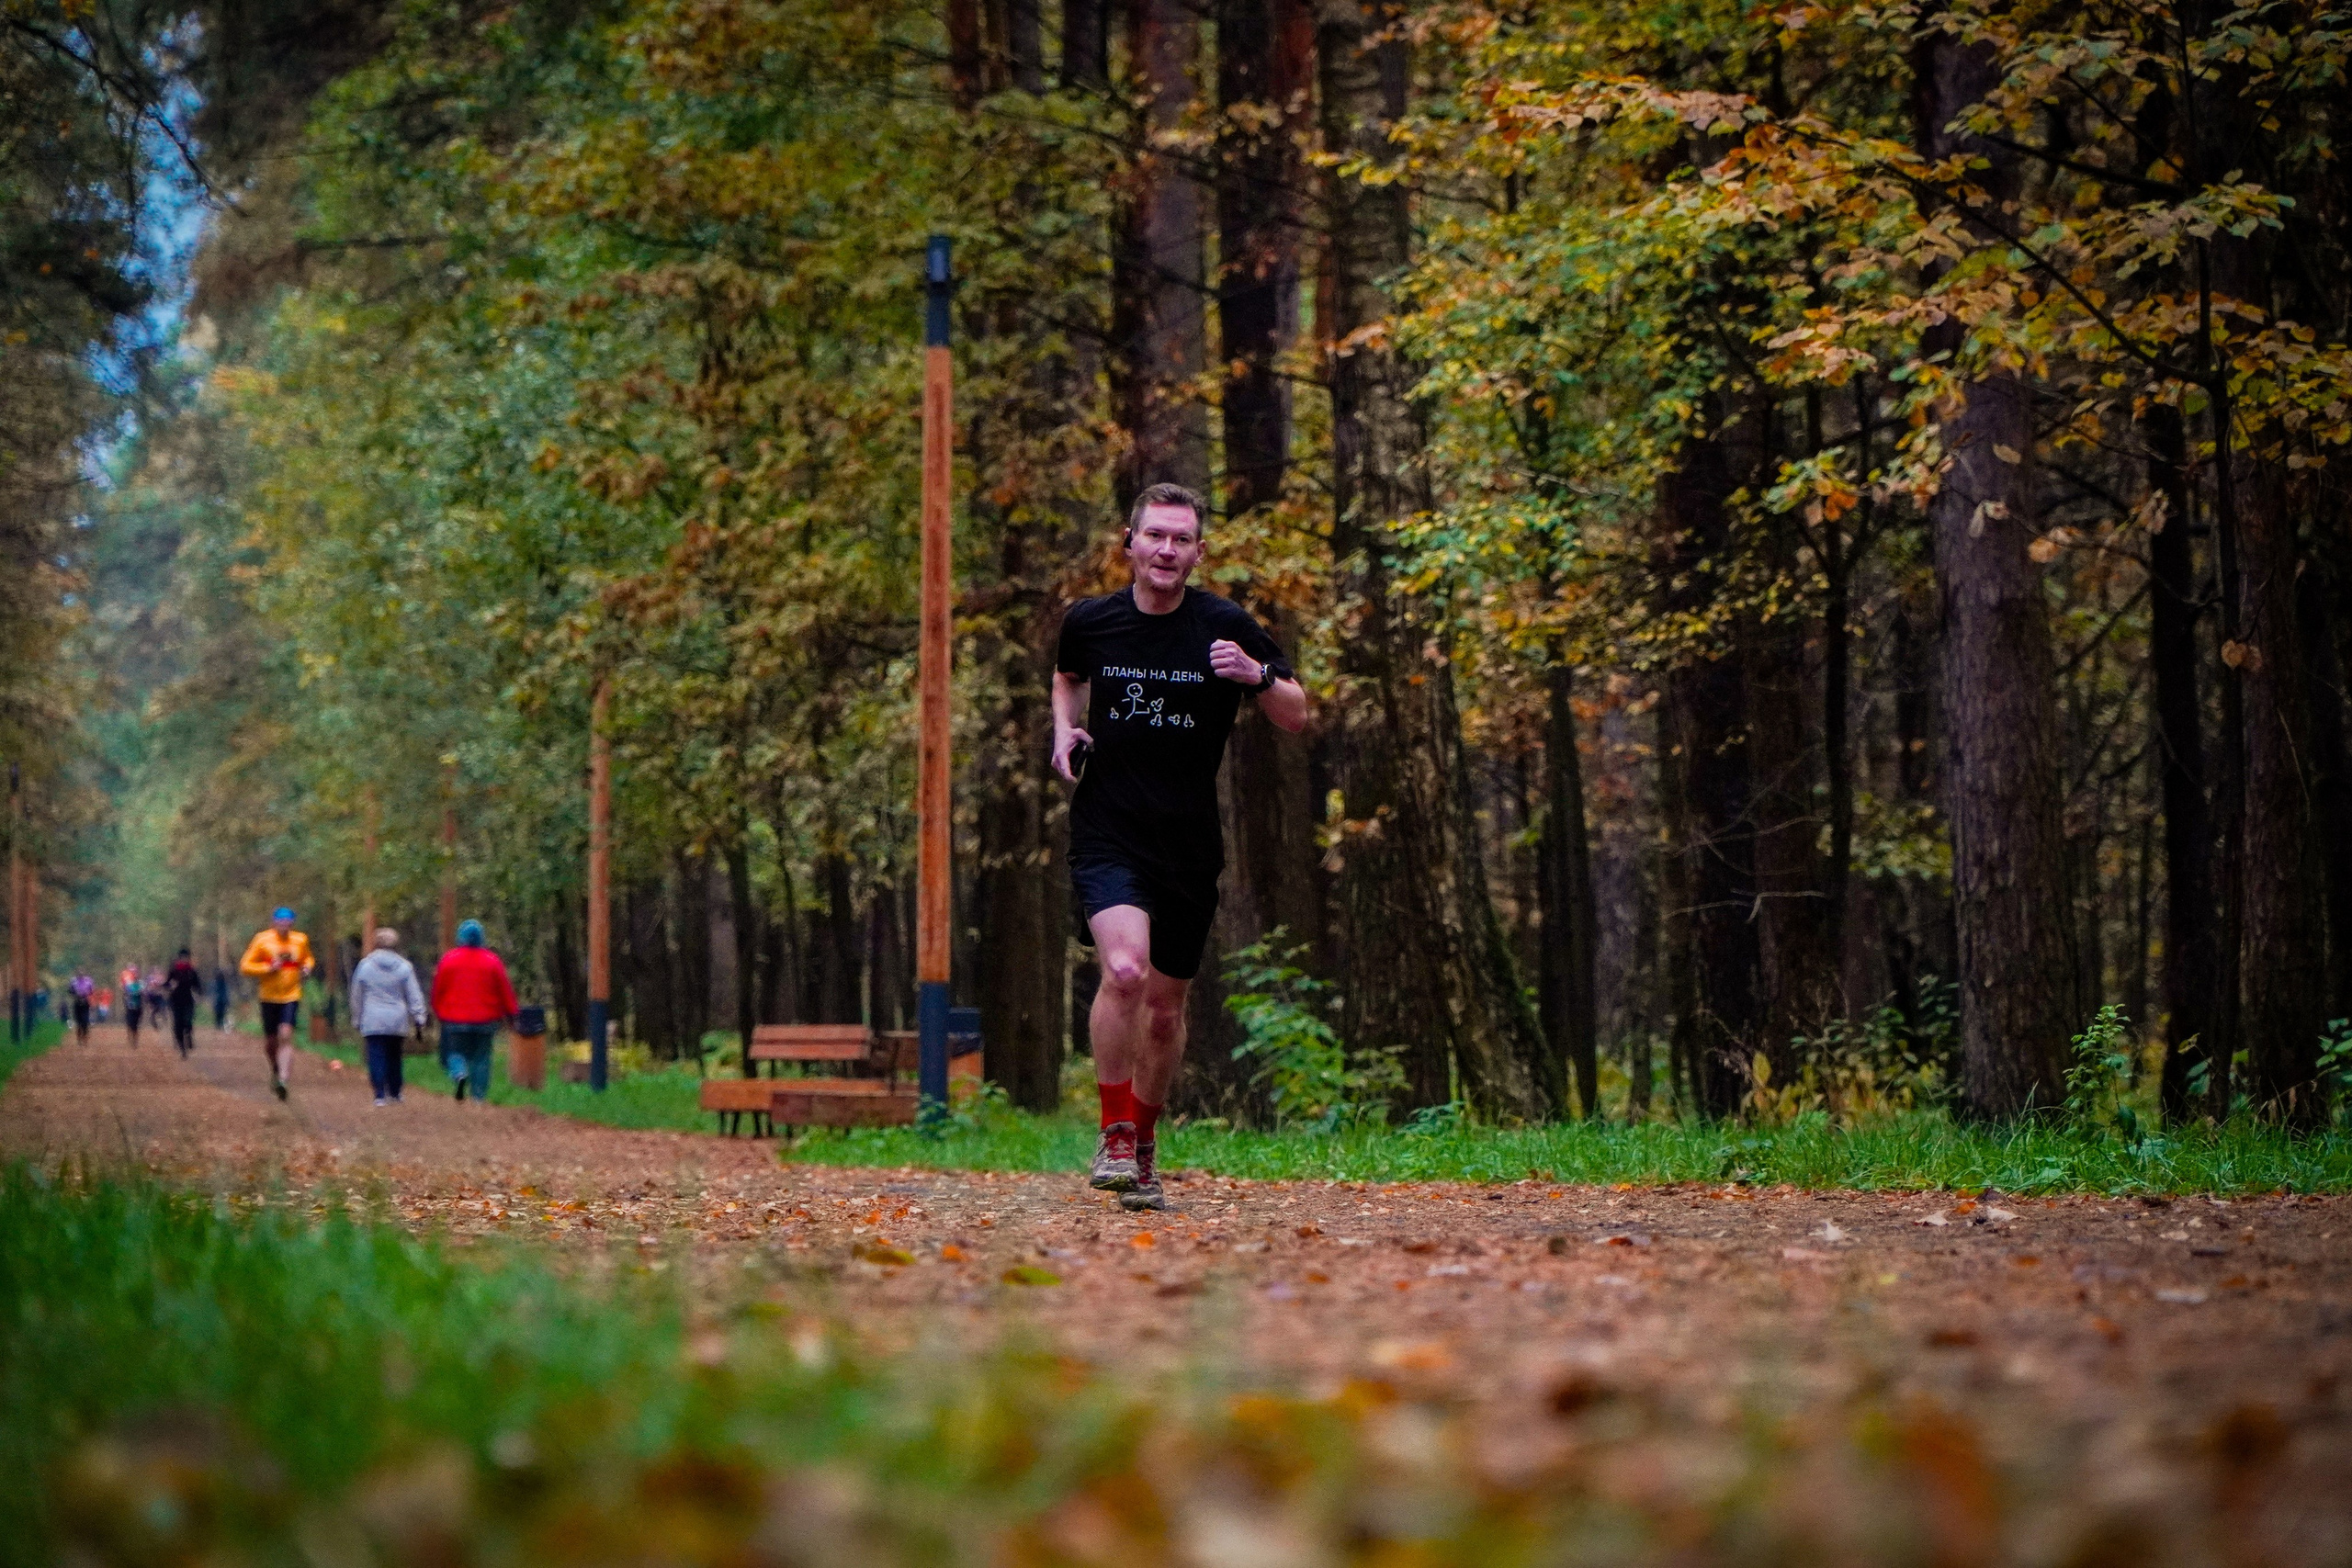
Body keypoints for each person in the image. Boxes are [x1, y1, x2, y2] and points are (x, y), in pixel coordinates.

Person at [1050, 482, 1309, 1211]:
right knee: (1124, 970)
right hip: (1108, 830)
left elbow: (1296, 713)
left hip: (1189, 842)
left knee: (1165, 1009)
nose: (1166, 550)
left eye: (1181, 538)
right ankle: (1113, 1137)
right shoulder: (1092, 621)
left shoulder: (1224, 625)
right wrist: (1064, 729)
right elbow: (1067, 677)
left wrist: (1255, 675)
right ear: (1128, 544)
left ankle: (1146, 1144)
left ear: (1199, 551)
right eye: (1154, 536)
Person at [431, 919, 515, 1103]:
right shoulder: (492, 961)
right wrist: (511, 1013)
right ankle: (478, 1097)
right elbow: (504, 989)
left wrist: (438, 1010)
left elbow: (439, 989)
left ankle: (459, 1073)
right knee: (482, 1056)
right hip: (486, 1019)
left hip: (454, 1018)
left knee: (455, 1052)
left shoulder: (449, 960)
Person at [239, 907, 315, 1101]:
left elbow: (307, 957)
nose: (284, 925)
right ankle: (275, 1067)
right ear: (274, 922)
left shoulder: (300, 939)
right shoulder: (262, 940)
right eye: (280, 921)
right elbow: (245, 966)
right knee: (271, 1043)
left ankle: (283, 1079)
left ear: (292, 923)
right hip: (268, 997)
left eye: (288, 921)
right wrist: (267, 968)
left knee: (286, 1034)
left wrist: (307, 967)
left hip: (291, 995)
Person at [351, 928, 427, 1106]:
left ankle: (379, 1093)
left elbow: (357, 994)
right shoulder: (404, 967)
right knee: (395, 1055)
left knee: (376, 1055)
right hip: (397, 1019)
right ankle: (395, 1091)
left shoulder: (365, 966)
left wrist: (357, 1017)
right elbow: (414, 994)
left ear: (376, 943)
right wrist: (419, 1016)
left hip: (373, 1018)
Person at [164, 950, 203, 1056]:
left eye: (186, 958)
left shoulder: (191, 971)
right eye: (183, 958)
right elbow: (167, 984)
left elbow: (198, 985)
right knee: (178, 1025)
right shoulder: (174, 970)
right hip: (176, 1001)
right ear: (179, 958)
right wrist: (169, 986)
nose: (184, 960)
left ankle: (189, 1036)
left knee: (188, 1021)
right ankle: (182, 1048)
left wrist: (199, 994)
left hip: (188, 1000)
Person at [120, 969, 145, 1047]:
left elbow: (143, 993)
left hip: (138, 1007)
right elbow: (125, 994)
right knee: (130, 1023)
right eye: (134, 974)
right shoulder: (128, 984)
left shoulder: (141, 984)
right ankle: (130, 1037)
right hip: (130, 1007)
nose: (135, 976)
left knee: (136, 1025)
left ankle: (135, 1040)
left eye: (136, 974)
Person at [69, 970, 93, 1043]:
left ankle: (85, 1035)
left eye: (82, 975)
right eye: (79, 975)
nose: (80, 976)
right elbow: (70, 990)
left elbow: (91, 990)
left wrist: (86, 994)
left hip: (85, 1002)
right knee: (78, 1021)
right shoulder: (74, 981)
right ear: (77, 975)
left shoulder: (88, 981)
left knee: (85, 1020)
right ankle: (79, 1037)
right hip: (77, 1001)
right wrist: (75, 993)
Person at [211, 964, 231, 1031]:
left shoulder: (222, 983)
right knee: (219, 1013)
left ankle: (219, 1025)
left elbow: (225, 992)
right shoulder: (217, 983)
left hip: (220, 1000)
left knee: (220, 1013)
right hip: (219, 1000)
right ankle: (218, 1025)